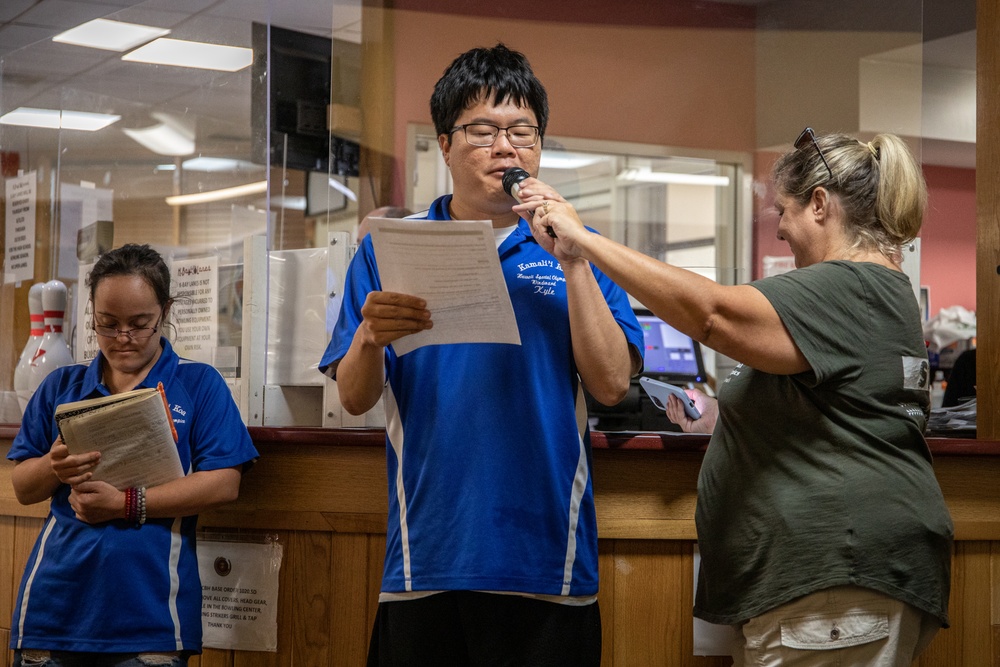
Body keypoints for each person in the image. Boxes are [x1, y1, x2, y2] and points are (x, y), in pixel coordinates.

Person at [526, 129, 953, 666]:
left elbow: (713, 315)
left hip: (836, 576)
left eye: (785, 211)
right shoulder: (874, 289)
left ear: (820, 205)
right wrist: (724, 420)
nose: (779, 230)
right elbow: (831, 408)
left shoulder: (848, 284)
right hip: (837, 580)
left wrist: (583, 240)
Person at [319, 43, 643, 666]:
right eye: (483, 131)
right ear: (443, 144)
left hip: (549, 558)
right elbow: (355, 398)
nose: (507, 148)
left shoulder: (583, 246)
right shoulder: (391, 247)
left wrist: (572, 258)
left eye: (522, 131)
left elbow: (610, 385)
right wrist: (366, 336)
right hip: (428, 555)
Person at [8, 244, 259, 667]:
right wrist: (54, 466)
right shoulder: (61, 387)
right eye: (107, 325)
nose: (123, 338)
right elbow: (22, 488)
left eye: (139, 324)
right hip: (54, 607)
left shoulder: (198, 384)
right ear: (91, 315)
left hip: (150, 611)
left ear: (164, 311)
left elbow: (224, 482)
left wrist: (126, 504)